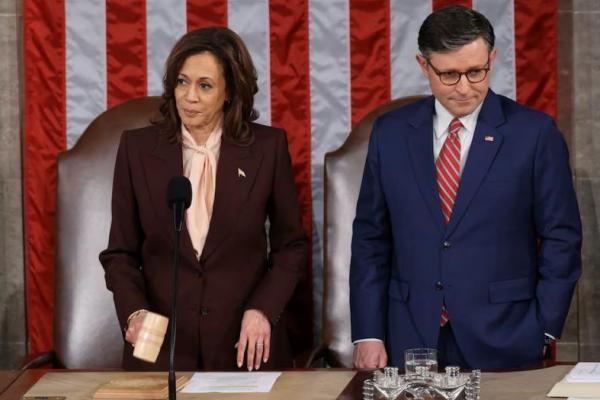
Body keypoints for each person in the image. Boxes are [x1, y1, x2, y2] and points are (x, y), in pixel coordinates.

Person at [350, 5, 581, 370]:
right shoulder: (390, 134)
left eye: (476, 72)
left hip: (507, 336)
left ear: (492, 57)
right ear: (423, 65)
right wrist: (368, 333)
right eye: (449, 74)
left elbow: (562, 237)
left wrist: (544, 328)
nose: (464, 88)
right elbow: (370, 239)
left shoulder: (534, 134)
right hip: (409, 336)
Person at [99, 27, 307, 371]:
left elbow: (291, 247)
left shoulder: (267, 149)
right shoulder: (137, 149)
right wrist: (135, 313)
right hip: (162, 352)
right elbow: (120, 252)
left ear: (230, 92)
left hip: (244, 348)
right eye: (182, 82)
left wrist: (263, 310)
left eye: (204, 85)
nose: (189, 97)